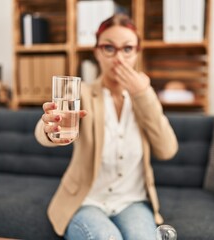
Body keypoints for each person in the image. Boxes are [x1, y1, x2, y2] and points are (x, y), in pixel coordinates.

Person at [35, 13, 178, 240]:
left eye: (127, 48)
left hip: (131, 202)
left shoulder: (144, 97)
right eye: (109, 48)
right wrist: (49, 129)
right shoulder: (82, 92)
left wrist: (143, 94)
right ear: (97, 52)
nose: (118, 58)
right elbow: (46, 128)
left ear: (137, 52)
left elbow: (168, 149)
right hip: (86, 201)